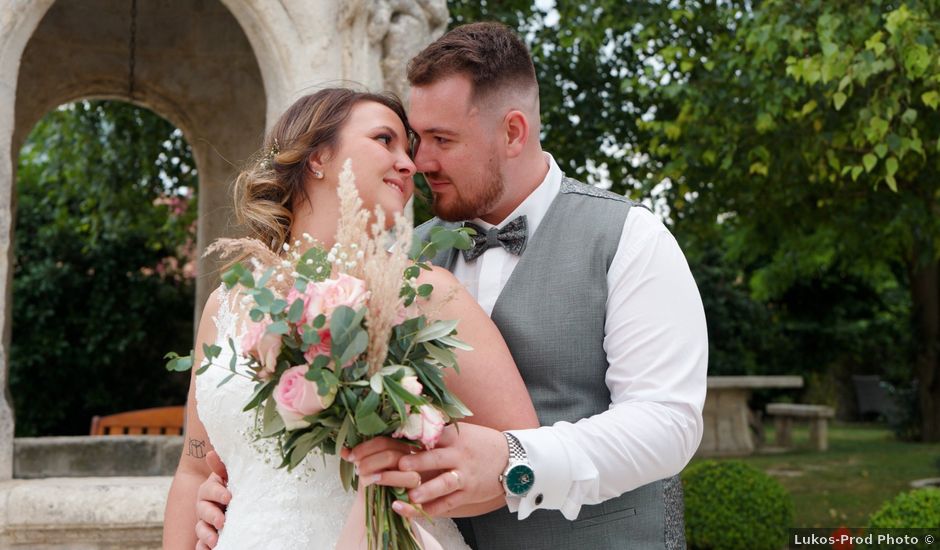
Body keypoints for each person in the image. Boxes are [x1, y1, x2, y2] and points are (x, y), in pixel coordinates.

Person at [196, 21, 708, 550]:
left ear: (512, 132)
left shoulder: (627, 236)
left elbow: (667, 422)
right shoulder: (395, 261)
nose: (419, 162)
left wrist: (517, 461)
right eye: (417, 139)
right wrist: (228, 487)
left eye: (442, 140)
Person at [163, 88, 538, 549]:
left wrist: (408, 479)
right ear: (318, 155)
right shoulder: (228, 305)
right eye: (386, 140)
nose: (410, 164)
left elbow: (518, 453)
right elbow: (196, 469)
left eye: (409, 150)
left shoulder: (427, 293)